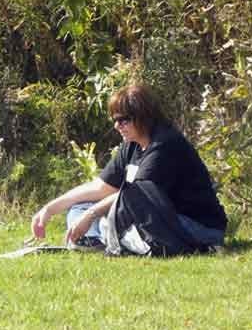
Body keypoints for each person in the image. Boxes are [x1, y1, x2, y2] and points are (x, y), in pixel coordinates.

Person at [30, 84, 227, 255]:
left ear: (143, 117)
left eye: (123, 120)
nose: (117, 126)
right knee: (79, 207)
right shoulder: (132, 144)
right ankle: (100, 240)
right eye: (115, 120)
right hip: (151, 218)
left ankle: (106, 239)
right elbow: (101, 187)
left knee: (103, 213)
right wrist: (50, 208)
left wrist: (90, 216)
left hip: (196, 226)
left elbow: (135, 195)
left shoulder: (165, 144)